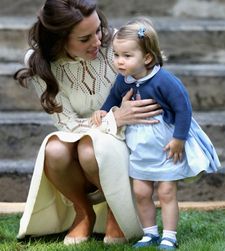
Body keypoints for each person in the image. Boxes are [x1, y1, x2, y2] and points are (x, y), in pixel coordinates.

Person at [14, 0, 162, 246]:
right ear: (59, 40)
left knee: (89, 148)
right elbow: (67, 124)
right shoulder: (39, 62)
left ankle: (118, 212)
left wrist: (116, 122)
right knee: (55, 149)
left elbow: (146, 98)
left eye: (97, 30)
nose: (97, 41)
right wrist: (113, 119)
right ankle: (84, 212)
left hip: (130, 137)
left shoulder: (116, 44)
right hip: (88, 135)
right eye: (85, 39)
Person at [91, 17, 221, 250]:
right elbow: (113, 98)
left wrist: (179, 139)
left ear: (147, 57)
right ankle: (149, 233)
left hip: (165, 144)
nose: (119, 62)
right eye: (116, 55)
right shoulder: (124, 80)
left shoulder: (164, 81)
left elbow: (184, 109)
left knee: (166, 190)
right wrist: (103, 111)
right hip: (140, 146)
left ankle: (169, 235)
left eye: (127, 56)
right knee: (141, 190)